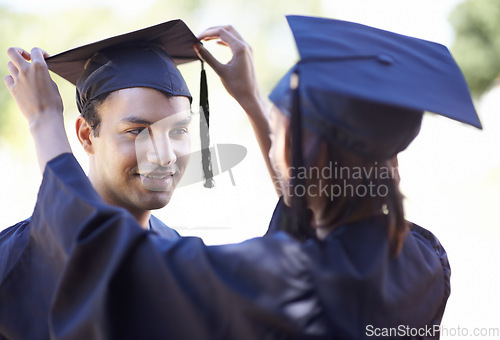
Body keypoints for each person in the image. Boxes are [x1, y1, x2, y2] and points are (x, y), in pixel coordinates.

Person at [3, 15, 481, 339]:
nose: (163, 153)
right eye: (137, 130)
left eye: (282, 128)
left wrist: (45, 122)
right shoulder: (420, 262)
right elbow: (312, 216)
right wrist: (254, 103)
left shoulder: (273, 278)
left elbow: (110, 265)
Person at [0, 19, 210, 339]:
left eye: (179, 130)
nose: (164, 155)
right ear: (86, 136)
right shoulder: (13, 261)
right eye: (137, 131)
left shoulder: (183, 259)